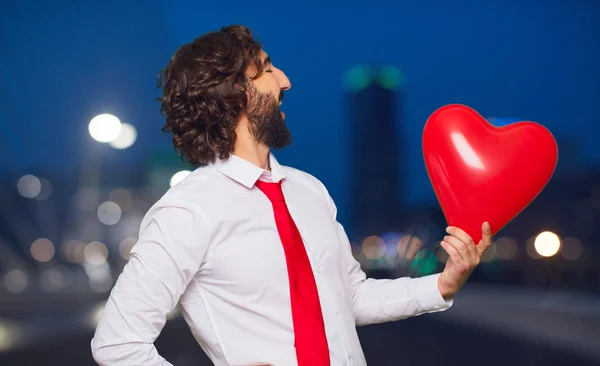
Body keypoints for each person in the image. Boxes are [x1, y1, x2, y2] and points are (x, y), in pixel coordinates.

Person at [91, 24, 492, 366]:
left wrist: (441, 285)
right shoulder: (187, 210)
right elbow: (118, 343)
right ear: (235, 92)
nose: (285, 80)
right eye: (265, 68)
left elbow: (349, 297)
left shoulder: (309, 191)